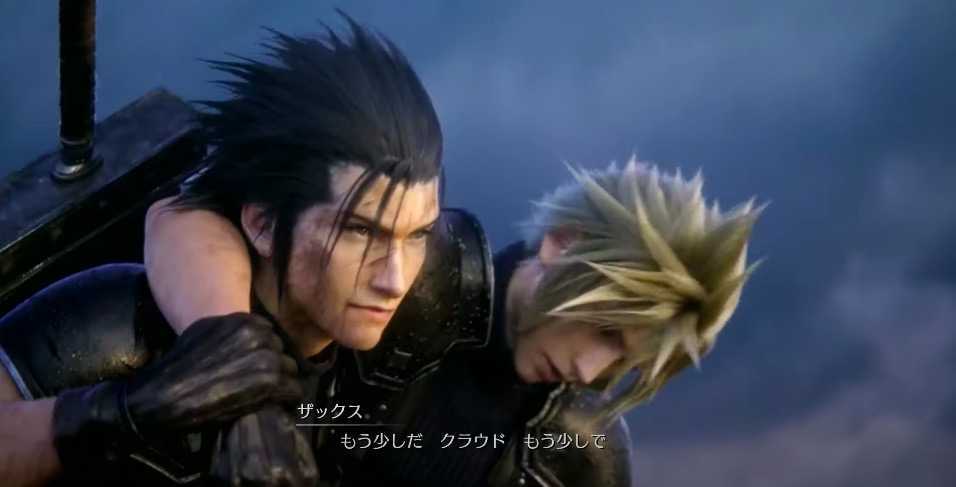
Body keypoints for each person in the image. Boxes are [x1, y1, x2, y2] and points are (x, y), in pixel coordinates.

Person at [0, 18, 447, 487]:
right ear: (263, 224)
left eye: (418, 234)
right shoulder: (119, 324)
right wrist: (127, 411)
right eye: (359, 231)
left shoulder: (433, 286)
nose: (395, 280)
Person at [143, 158, 763, 486]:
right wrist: (244, 395)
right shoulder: (401, 273)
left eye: (625, 361)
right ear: (562, 244)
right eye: (605, 331)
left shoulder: (581, 462)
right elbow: (190, 210)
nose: (591, 372)